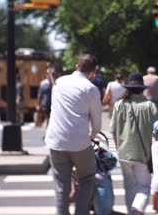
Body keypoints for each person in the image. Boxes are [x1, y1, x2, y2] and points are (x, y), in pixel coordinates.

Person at [45, 54, 102, 215]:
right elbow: (96, 120)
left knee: (61, 186)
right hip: (79, 143)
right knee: (87, 179)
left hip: (56, 141)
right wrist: (93, 134)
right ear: (93, 73)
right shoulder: (91, 89)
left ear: (77, 67)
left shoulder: (59, 82)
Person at [110, 72, 158, 215]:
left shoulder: (119, 105)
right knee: (144, 186)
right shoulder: (150, 106)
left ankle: (131, 211)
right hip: (143, 153)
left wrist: (119, 148)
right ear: (142, 88)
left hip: (123, 153)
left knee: (129, 186)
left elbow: (113, 130)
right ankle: (136, 209)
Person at [36, 64, 55, 129]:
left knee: (51, 119)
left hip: (53, 104)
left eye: (51, 73)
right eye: (48, 73)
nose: (49, 75)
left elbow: (55, 88)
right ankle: (47, 132)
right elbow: (39, 95)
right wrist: (38, 105)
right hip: (45, 104)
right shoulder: (43, 83)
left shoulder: (54, 83)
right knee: (47, 118)